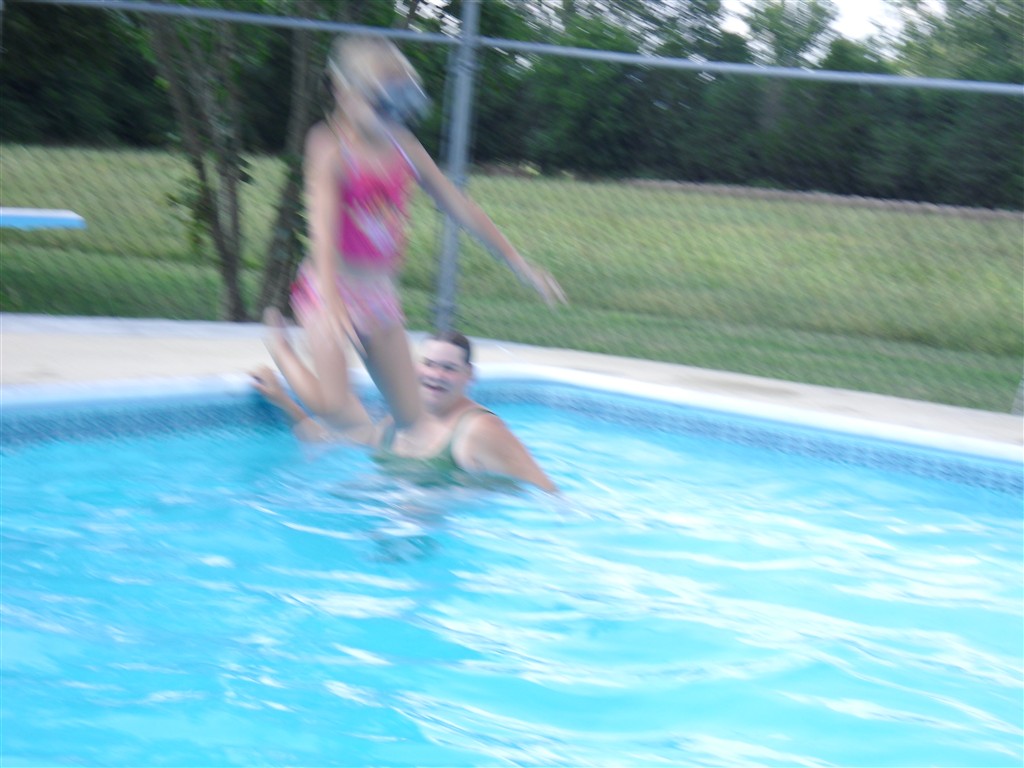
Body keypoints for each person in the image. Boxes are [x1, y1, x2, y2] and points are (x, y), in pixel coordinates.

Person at [291, 34, 565, 439]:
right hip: (330, 286)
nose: (392, 118)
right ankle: (281, 351)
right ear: (344, 93)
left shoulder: (403, 146)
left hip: (379, 294)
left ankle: (387, 467)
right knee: (335, 406)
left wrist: (517, 261)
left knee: (413, 420)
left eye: (399, 108)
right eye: (381, 105)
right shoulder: (329, 146)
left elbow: (459, 206)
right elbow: (322, 228)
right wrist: (331, 303)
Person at [252, 323, 559, 494]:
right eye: (429, 364)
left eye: (449, 368)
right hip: (389, 508)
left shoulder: (479, 429)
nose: (436, 375)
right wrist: (281, 399)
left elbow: (544, 490)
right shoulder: (398, 420)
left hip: (434, 534)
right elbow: (328, 439)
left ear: (470, 376)